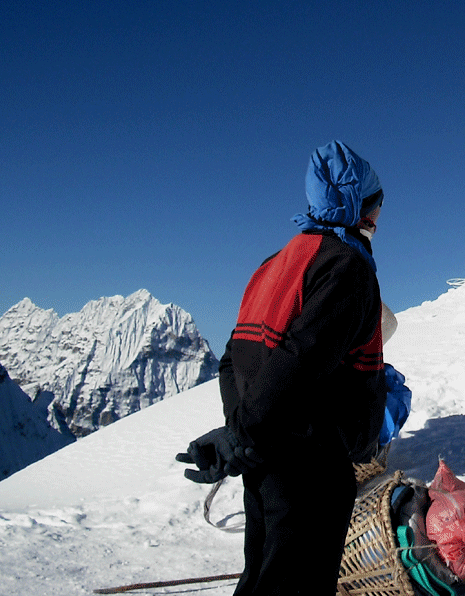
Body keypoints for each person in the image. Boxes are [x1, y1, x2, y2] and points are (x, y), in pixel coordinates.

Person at [176, 140, 388, 595]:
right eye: (376, 205)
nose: (378, 219)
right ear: (360, 209)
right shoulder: (347, 267)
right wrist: (240, 437)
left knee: (263, 577)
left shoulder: (272, 265)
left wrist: (241, 434)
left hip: (267, 458)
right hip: (309, 467)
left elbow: (233, 359)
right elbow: (300, 363)